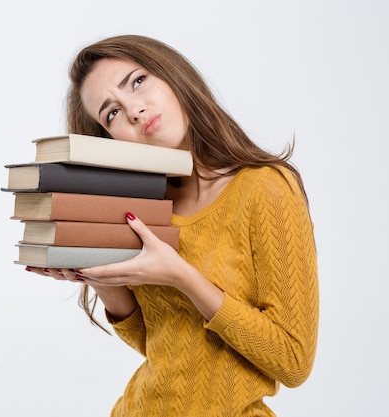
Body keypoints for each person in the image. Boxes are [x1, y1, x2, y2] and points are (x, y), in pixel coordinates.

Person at [25, 34, 319, 417]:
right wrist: (100, 281)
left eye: (137, 81)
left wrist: (183, 276)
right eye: (111, 113)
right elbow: (161, 346)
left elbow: (294, 362)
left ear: (173, 75)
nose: (133, 110)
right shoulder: (143, 207)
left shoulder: (265, 188)